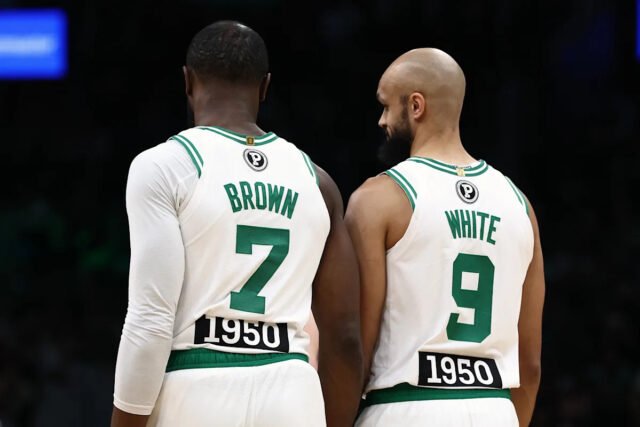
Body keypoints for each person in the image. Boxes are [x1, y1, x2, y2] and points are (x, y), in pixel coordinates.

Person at [111, 20, 362, 427]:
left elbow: (150, 320)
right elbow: (345, 337)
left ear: (187, 82)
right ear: (264, 87)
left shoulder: (164, 166)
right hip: (291, 389)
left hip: (196, 385)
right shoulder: (317, 180)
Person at [345, 48, 545, 426]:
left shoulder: (378, 199)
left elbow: (356, 347)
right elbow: (530, 364)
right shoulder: (519, 204)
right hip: (495, 408)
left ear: (416, 106)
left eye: (386, 106)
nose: (381, 120)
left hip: (404, 406)